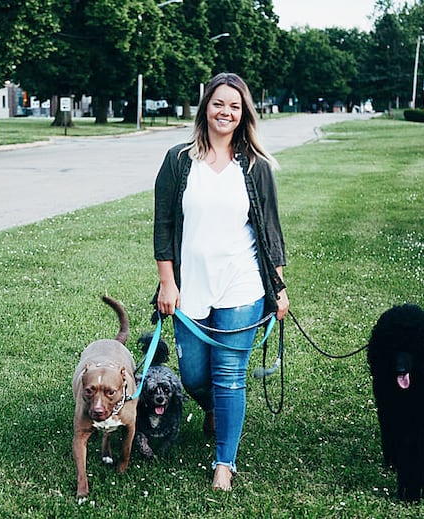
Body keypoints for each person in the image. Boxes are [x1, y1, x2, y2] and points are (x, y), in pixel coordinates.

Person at [152, 72, 289, 491]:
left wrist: (278, 286)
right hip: (190, 285)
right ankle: (217, 409)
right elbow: (164, 226)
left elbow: (269, 230)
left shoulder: (255, 166)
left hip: (241, 284)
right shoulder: (178, 161)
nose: (225, 112)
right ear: (205, 108)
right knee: (194, 375)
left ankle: (224, 464)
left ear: (244, 112)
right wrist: (166, 282)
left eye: (234, 105)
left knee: (229, 374)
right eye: (218, 103)